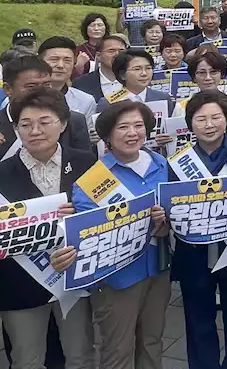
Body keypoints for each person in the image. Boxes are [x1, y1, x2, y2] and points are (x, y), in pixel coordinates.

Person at [0, 88, 96, 369]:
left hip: (74, 277)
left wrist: (82, 215)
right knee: (26, 359)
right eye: (25, 124)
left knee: (80, 355)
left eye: (45, 122)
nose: (35, 131)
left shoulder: (87, 163)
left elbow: (105, 217)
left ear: (63, 124)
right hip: (20, 282)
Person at [60, 102, 171, 369]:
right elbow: (89, 231)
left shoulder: (161, 163)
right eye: (123, 127)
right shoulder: (94, 179)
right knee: (117, 349)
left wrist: (166, 222)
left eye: (138, 126)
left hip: (158, 268)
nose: (132, 133)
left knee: (152, 342)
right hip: (117, 278)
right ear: (107, 136)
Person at [168, 89, 227, 369]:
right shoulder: (178, 162)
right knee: (197, 315)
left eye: (216, 117)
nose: (209, 124)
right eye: (201, 119)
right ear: (190, 124)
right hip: (193, 252)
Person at [0, 55, 93, 170]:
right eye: (31, 86)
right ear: (8, 89)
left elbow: (85, 169)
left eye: (47, 85)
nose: (41, 92)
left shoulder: (73, 121)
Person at [171, 49, 227, 128]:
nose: (208, 78)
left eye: (213, 72)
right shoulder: (181, 107)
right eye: (202, 73)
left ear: (222, 74)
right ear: (194, 77)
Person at [94, 48, 173, 112]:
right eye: (137, 69)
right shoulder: (108, 102)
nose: (144, 73)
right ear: (122, 74)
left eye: (148, 68)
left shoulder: (163, 98)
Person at [74, 12, 109, 77]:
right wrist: (79, 65)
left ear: (105, 28)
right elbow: (74, 79)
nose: (96, 28)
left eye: (100, 25)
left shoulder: (112, 49)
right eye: (92, 25)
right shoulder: (78, 50)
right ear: (86, 28)